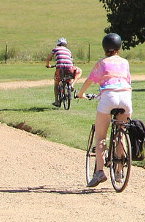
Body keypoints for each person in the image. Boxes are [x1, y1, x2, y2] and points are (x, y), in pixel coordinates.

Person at [77, 32, 131, 188]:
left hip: (109, 97)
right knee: (121, 131)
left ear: (104, 48)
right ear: (119, 48)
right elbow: (127, 80)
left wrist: (81, 94)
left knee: (100, 136)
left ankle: (100, 172)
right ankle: (120, 171)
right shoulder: (125, 62)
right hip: (126, 98)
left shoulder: (102, 63)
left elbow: (90, 80)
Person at [45, 37, 78, 106]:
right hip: (69, 67)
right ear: (65, 45)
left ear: (58, 44)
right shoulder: (68, 51)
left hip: (60, 68)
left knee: (56, 84)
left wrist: (48, 65)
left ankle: (57, 101)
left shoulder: (56, 49)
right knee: (69, 77)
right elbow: (71, 60)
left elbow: (48, 58)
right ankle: (71, 85)